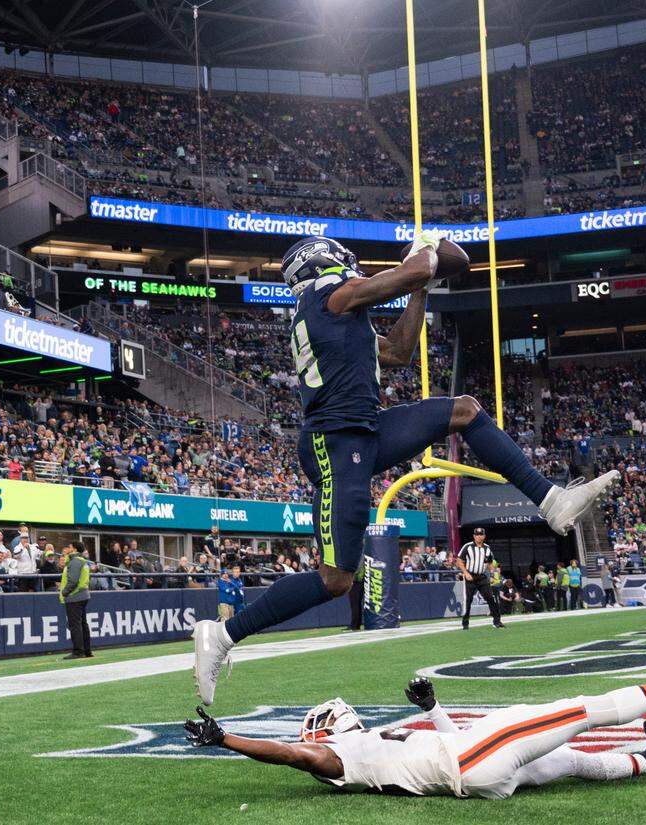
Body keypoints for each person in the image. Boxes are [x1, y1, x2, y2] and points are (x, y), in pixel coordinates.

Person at [193, 234, 617, 705]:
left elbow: (398, 351)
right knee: (335, 580)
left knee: (464, 410)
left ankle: (551, 501)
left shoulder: (335, 308)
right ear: (322, 262)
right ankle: (223, 635)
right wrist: (425, 251)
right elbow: (413, 270)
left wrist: (422, 288)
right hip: (336, 445)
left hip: (365, 430)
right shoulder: (328, 296)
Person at [183, 638, 646, 799]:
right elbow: (292, 755)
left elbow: (454, 741)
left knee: (567, 760)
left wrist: (432, 709)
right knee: (575, 711)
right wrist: (226, 737)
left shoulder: (372, 749)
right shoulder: (338, 757)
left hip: (472, 769)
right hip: (468, 763)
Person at [456, 528, 504, 630]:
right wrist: (466, 573)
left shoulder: (487, 548)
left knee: (490, 598)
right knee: (468, 600)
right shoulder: (468, 546)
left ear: (484, 536)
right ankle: (465, 624)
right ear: (474, 536)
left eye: (481, 534)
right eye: (477, 535)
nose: (479, 536)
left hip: (482, 577)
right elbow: (459, 561)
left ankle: (497, 621)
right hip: (470, 576)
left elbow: (490, 563)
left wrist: (492, 575)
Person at [59, 543, 92, 660]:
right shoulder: (82, 561)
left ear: (74, 549)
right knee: (82, 624)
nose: (67, 549)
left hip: (74, 596)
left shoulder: (75, 561)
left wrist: (65, 592)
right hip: (82, 595)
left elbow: (73, 581)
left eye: (69, 547)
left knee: (75, 625)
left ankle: (78, 651)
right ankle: (86, 650)